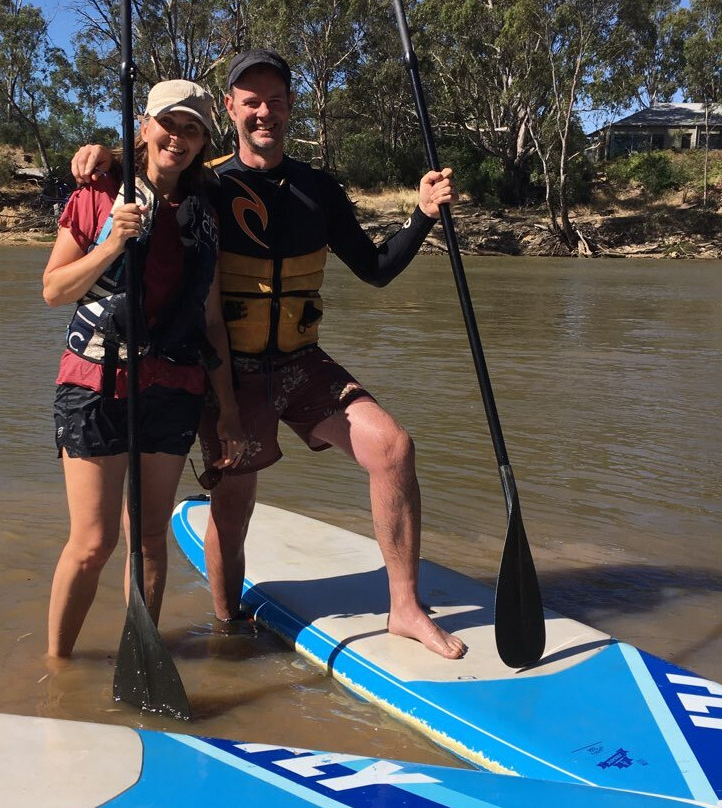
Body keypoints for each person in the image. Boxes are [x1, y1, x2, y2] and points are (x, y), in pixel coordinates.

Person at [71, 50, 466, 660]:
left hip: (303, 364)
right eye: (250, 101)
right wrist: (103, 158)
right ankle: (229, 627)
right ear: (230, 110)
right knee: (234, 509)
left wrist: (422, 215)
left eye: (275, 101)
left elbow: (376, 270)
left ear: (289, 108)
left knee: (393, 447)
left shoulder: (319, 188)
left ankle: (405, 607)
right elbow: (158, 165)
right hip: (232, 375)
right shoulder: (209, 188)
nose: (264, 113)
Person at [44, 79, 243, 659]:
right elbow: (54, 290)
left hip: (174, 389)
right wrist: (111, 244)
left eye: (192, 129)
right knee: (93, 541)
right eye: (168, 124)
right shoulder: (100, 192)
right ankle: (58, 671)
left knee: (150, 539)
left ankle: (141, 657)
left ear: (204, 142)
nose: (177, 139)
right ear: (144, 125)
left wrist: (227, 408)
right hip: (96, 384)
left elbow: (210, 320)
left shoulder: (205, 213)